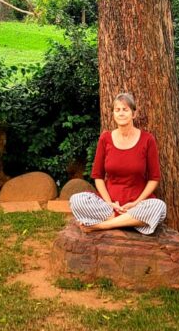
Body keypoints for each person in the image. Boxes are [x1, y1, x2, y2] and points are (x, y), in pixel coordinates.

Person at [69, 93, 167, 234]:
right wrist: (109, 203)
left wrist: (137, 202)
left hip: (136, 205)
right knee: (76, 200)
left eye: (125, 109)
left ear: (134, 114)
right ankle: (127, 221)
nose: (121, 113)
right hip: (108, 205)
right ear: (113, 114)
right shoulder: (105, 138)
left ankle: (99, 226)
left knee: (159, 207)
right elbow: (98, 177)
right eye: (117, 109)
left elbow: (154, 179)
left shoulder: (147, 139)